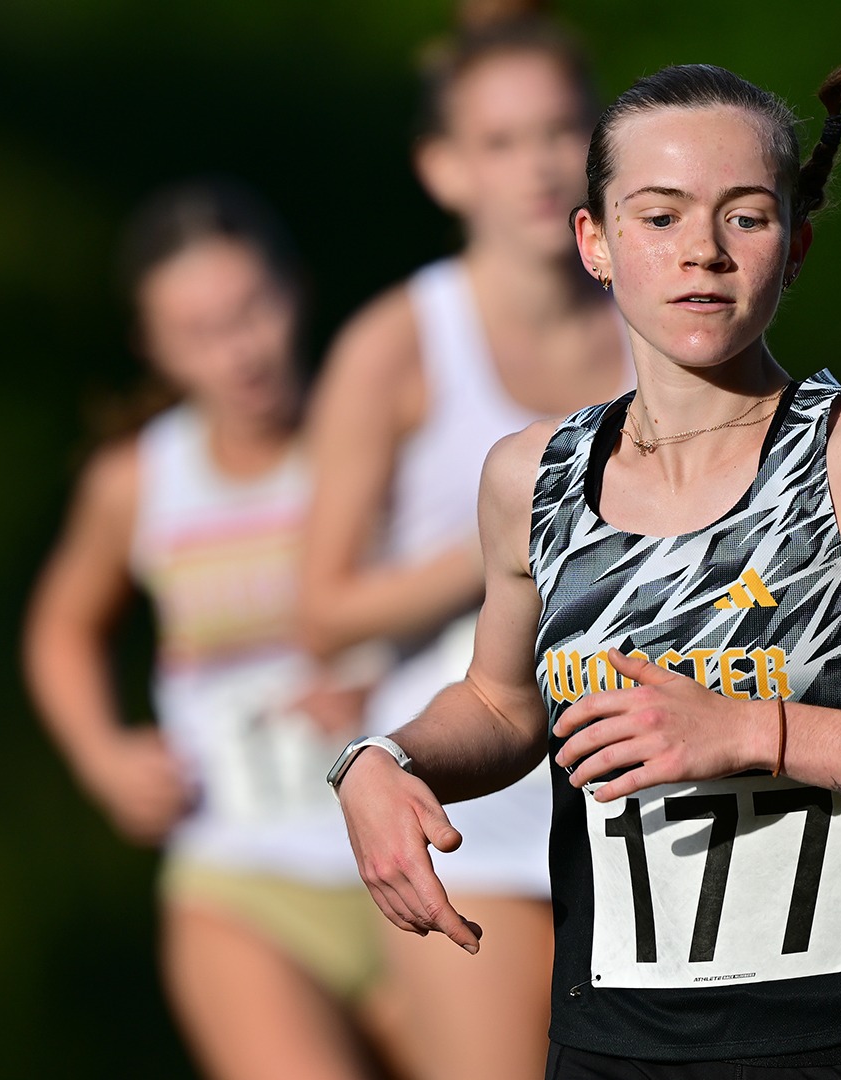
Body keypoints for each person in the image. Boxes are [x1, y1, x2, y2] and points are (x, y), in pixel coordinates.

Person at [328, 57, 841, 1078]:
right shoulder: (532, 478)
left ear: (797, 246)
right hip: (613, 1046)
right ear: (593, 243)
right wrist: (384, 760)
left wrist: (749, 731)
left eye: (745, 217)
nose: (703, 253)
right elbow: (505, 708)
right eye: (659, 217)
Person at [297, 14, 631, 1080]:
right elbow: (321, 609)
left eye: (558, 131)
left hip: (648, 808)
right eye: (499, 142)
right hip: (468, 818)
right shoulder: (396, 344)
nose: (537, 166)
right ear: (442, 169)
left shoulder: (666, 317)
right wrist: (514, 542)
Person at [23, 181, 393, 1080]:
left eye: (252, 310)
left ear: (294, 290)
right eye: (200, 332)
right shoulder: (140, 482)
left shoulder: (387, 433)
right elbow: (61, 627)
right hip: (240, 870)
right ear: (152, 347)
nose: (242, 353)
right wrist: (101, 756)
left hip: (424, 854)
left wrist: (387, 677)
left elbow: (500, 589)